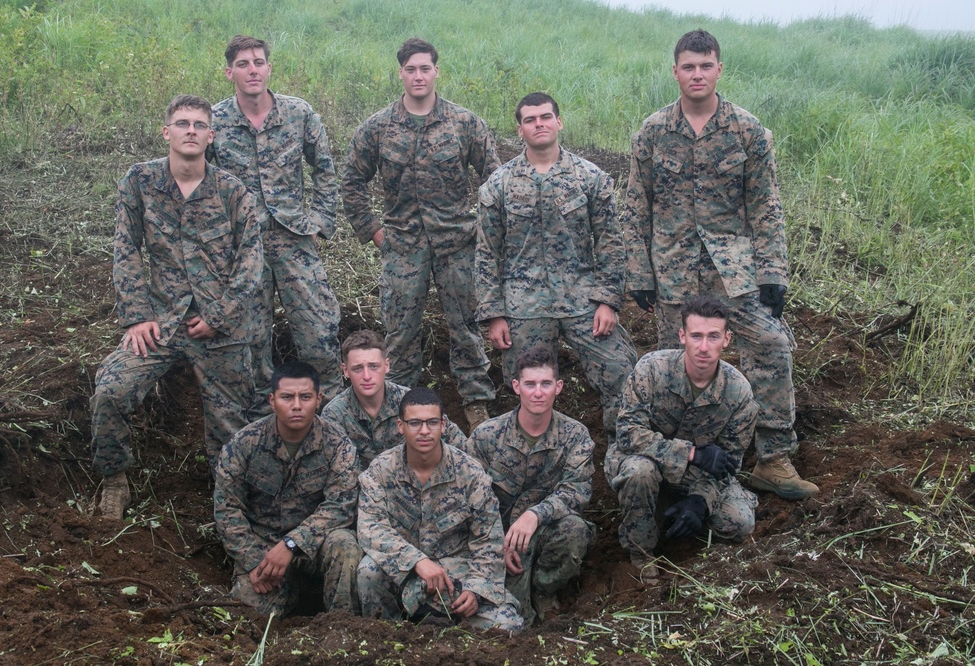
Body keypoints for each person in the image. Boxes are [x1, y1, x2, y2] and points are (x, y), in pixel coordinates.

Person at [621, 29, 817, 499]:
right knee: (674, 370)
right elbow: (635, 208)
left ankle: (772, 456)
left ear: (719, 69)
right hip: (673, 275)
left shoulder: (747, 131)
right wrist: (639, 274)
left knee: (771, 343)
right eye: (688, 66)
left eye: (705, 65)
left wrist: (773, 275)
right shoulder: (652, 132)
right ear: (675, 71)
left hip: (735, 274)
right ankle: (678, 463)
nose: (697, 74)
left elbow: (765, 207)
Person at [91, 94, 262, 520]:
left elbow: (251, 261)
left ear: (211, 135)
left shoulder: (232, 191)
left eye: (199, 125)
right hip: (161, 323)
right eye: (182, 123)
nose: (190, 131)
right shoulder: (140, 181)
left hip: (219, 328)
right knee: (111, 389)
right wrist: (136, 316)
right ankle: (114, 480)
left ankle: (230, 500)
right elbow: (126, 247)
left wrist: (220, 316)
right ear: (166, 131)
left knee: (230, 428)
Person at [341, 38, 498, 431]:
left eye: (425, 68)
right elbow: (351, 182)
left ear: (436, 71)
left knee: (466, 327)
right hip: (402, 247)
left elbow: (497, 180)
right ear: (401, 73)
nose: (418, 76)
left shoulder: (465, 123)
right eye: (410, 69)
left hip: (456, 245)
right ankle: (397, 403)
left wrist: (480, 229)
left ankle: (476, 401)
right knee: (400, 332)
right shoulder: (378, 127)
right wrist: (374, 232)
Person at [475, 92, 636, 437]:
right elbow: (486, 252)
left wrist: (608, 300)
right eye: (530, 120)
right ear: (519, 130)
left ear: (559, 122)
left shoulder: (590, 178)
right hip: (524, 307)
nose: (539, 124)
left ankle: (623, 453)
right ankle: (535, 458)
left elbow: (610, 242)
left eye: (545, 117)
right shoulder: (499, 184)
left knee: (621, 371)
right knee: (526, 388)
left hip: (583, 302)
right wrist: (494, 314)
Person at [209, 35, 342, 415]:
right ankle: (264, 419)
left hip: (293, 237)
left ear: (269, 67)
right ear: (229, 72)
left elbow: (324, 171)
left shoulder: (298, 113)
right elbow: (198, 179)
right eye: (243, 64)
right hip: (242, 246)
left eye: (258, 62)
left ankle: (332, 409)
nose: (252, 70)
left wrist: (319, 221)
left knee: (319, 329)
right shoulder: (215, 121)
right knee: (251, 337)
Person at [605, 297, 758, 576]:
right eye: (695, 336)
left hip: (695, 477)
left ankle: (675, 515)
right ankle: (641, 553)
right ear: (682, 336)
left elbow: (728, 464)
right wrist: (691, 453)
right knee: (640, 472)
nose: (703, 347)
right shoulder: (651, 369)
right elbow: (627, 433)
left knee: (739, 523)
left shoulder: (739, 393)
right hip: (640, 458)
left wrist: (700, 501)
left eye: (713, 337)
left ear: (727, 339)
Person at [356, 388, 523, 631]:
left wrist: (476, 591)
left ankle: (447, 627)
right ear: (400, 427)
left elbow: (488, 540)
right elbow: (370, 529)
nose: (424, 431)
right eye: (415, 423)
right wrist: (417, 560)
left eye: (432, 422)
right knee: (369, 572)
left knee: (508, 627)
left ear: (444, 425)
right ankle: (388, 636)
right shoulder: (381, 470)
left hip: (456, 579)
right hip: (405, 574)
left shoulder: (470, 474)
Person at [214, 361, 362, 617]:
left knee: (345, 545)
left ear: (318, 399)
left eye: (305, 397)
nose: (296, 405)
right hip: (263, 547)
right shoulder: (244, 444)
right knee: (247, 619)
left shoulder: (338, 444)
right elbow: (227, 509)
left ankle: (342, 627)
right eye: (287, 397)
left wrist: (292, 544)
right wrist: (251, 561)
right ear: (272, 401)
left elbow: (341, 506)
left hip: (315, 545)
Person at [464, 346, 595, 625]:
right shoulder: (486, 437)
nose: (538, 392)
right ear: (516, 387)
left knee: (575, 529)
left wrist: (535, 515)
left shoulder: (575, 436)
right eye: (530, 384)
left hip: (546, 534)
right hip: (496, 542)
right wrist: (496, 541)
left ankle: (545, 590)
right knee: (513, 619)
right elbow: (469, 500)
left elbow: (576, 492)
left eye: (546, 384)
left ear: (558, 387)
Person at [322, 330, 466, 469]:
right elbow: (339, 472)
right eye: (358, 368)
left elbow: (460, 446)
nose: (366, 376)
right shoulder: (334, 415)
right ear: (345, 371)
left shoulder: (411, 403)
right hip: (363, 489)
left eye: (374, 366)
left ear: (386, 366)